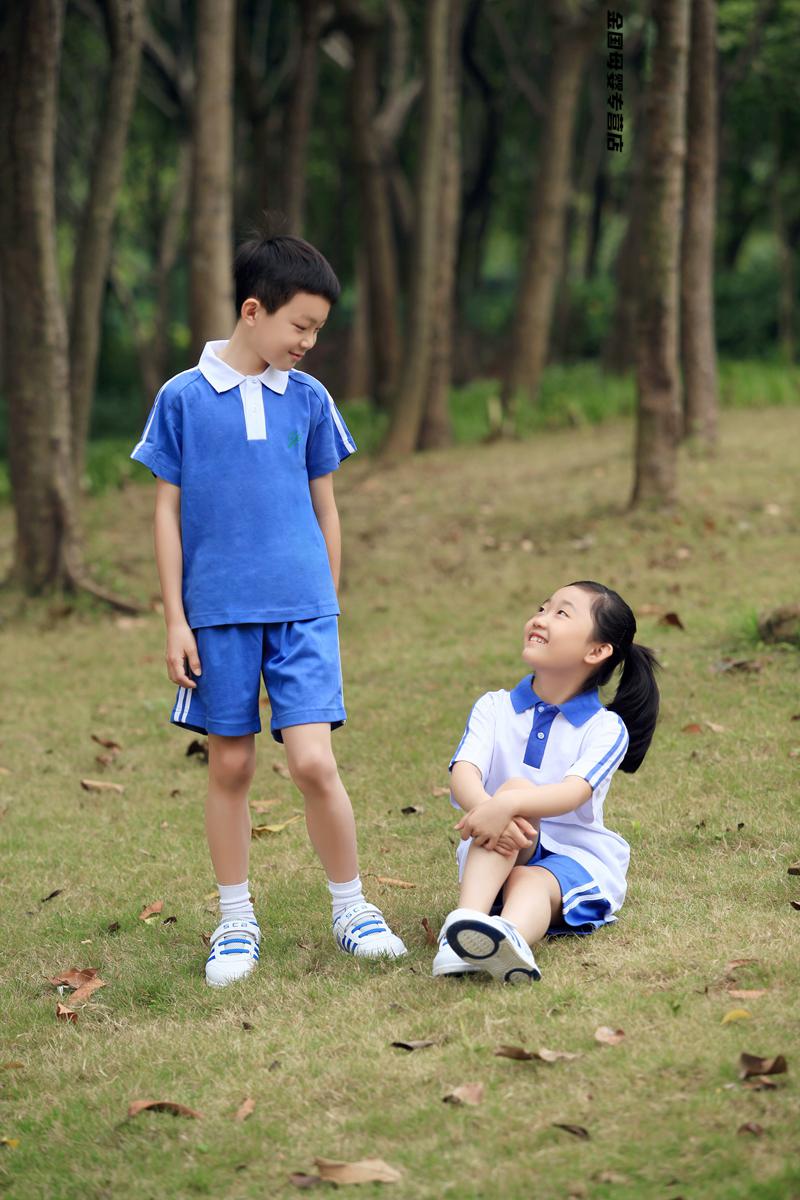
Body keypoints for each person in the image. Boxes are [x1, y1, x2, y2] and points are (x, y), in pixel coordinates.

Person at [131, 234, 406, 987]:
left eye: (318, 330)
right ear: (254, 311)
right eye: (301, 327)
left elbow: (327, 507)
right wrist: (174, 621)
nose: (309, 344)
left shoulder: (309, 400)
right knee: (232, 763)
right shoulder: (184, 397)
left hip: (302, 610)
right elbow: (166, 512)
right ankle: (235, 920)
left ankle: (351, 908)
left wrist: (329, 600)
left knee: (314, 761)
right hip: (216, 616)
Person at [433, 580, 659, 984]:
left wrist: (507, 806)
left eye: (561, 613)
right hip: (493, 855)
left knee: (527, 873)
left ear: (597, 651)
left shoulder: (605, 728)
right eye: (543, 607)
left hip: (573, 859)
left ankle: (508, 939)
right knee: (512, 798)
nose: (540, 618)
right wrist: (492, 809)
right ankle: (463, 929)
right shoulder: (494, 707)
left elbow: (574, 793)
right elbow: (463, 774)